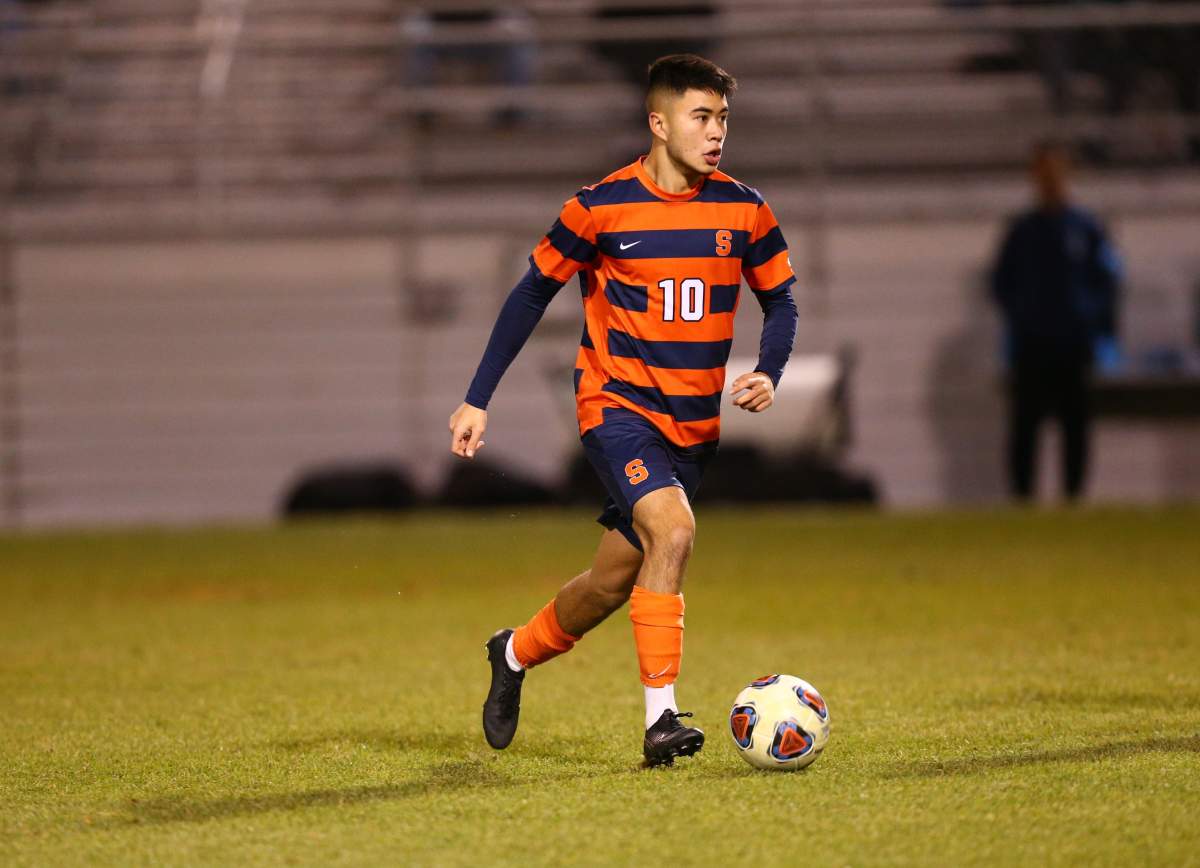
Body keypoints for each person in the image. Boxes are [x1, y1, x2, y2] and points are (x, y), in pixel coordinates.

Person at [448, 54, 798, 767]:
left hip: (692, 428)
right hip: (616, 408)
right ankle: (660, 721)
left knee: (612, 583)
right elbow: (529, 296)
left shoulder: (745, 206)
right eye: (701, 116)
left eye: (723, 118)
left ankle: (511, 652)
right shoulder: (598, 207)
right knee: (673, 534)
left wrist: (768, 369)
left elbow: (782, 300)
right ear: (658, 122)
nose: (716, 132)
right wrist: (476, 397)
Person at [990, 140, 1122, 502]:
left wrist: (1093, 324)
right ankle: (1023, 499)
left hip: (1073, 343)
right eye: (1043, 169)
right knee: (1025, 426)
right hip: (1032, 344)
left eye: (1056, 169)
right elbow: (1001, 283)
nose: (1050, 177)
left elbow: (1107, 281)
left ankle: (1073, 498)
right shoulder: (1022, 230)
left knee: (1075, 424)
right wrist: (1024, 315)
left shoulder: (1086, 228)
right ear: (1034, 175)